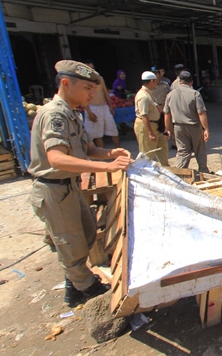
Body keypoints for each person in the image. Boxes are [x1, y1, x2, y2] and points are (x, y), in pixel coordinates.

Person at [28, 60, 132, 307]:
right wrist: (106, 168)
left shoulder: (73, 112)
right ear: (66, 83)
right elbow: (57, 158)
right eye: (87, 88)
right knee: (71, 245)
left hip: (69, 187)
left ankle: (73, 285)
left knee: (85, 235)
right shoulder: (55, 114)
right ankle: (88, 290)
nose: (92, 93)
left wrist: (109, 154)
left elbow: (86, 149)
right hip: (53, 189)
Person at [163, 71, 209, 172]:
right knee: (199, 149)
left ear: (180, 81)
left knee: (183, 151)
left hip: (178, 128)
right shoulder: (195, 94)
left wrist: (167, 129)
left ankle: (180, 174)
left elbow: (167, 114)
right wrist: (205, 129)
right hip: (194, 127)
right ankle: (203, 171)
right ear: (191, 82)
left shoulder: (170, 95)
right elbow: (201, 113)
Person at [134, 71, 169, 166]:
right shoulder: (143, 96)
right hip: (147, 126)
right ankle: (144, 171)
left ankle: (166, 168)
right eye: (155, 81)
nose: (157, 83)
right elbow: (144, 115)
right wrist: (150, 133)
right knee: (147, 152)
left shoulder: (149, 93)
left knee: (162, 147)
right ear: (151, 81)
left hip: (155, 125)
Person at [83, 60, 120, 149]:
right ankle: (103, 155)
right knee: (97, 134)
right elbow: (82, 99)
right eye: (89, 68)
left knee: (113, 130)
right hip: (92, 108)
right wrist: (89, 112)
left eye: (92, 68)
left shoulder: (99, 78)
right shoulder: (82, 81)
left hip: (104, 107)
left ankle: (119, 151)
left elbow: (105, 92)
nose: (91, 70)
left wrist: (110, 106)